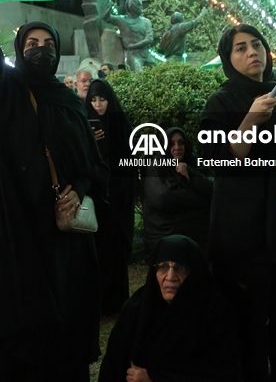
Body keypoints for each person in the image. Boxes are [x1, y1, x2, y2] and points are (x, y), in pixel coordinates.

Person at [0, 0, 109, 382]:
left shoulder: (69, 102)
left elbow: (93, 164)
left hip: (65, 234)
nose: (40, 50)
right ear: (19, 50)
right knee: (23, 329)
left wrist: (82, 188)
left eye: (48, 44)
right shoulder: (7, 91)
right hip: (20, 231)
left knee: (65, 327)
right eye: (31, 44)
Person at [198, 24, 276, 382]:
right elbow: (217, 161)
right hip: (242, 240)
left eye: (257, 45)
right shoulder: (222, 102)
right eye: (240, 48)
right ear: (228, 59)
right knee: (245, 331)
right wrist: (250, 121)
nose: (252, 52)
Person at [98, 235, 241, 382]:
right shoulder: (136, 310)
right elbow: (112, 369)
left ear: (195, 272)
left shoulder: (214, 313)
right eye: (163, 267)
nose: (170, 276)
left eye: (180, 268)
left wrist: (154, 377)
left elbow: (222, 374)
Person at [85, 78, 134, 316]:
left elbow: (129, 160)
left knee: (115, 251)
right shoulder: (84, 125)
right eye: (93, 99)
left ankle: (116, 302)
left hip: (117, 197)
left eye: (102, 99)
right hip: (95, 197)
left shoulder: (119, 124)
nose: (98, 104)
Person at [142, 128, 213, 257]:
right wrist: (198, 196)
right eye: (171, 144)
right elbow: (163, 200)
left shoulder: (194, 161)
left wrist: (190, 172)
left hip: (197, 234)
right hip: (163, 233)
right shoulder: (156, 167)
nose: (177, 147)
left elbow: (213, 189)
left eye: (181, 143)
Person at [102, 0, 153, 72]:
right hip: (133, 55)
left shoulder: (146, 22)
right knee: (138, 71)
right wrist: (111, 5)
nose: (141, 7)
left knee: (158, 70)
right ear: (132, 7)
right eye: (139, 5)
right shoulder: (122, 20)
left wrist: (133, 46)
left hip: (146, 53)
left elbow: (149, 39)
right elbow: (106, 18)